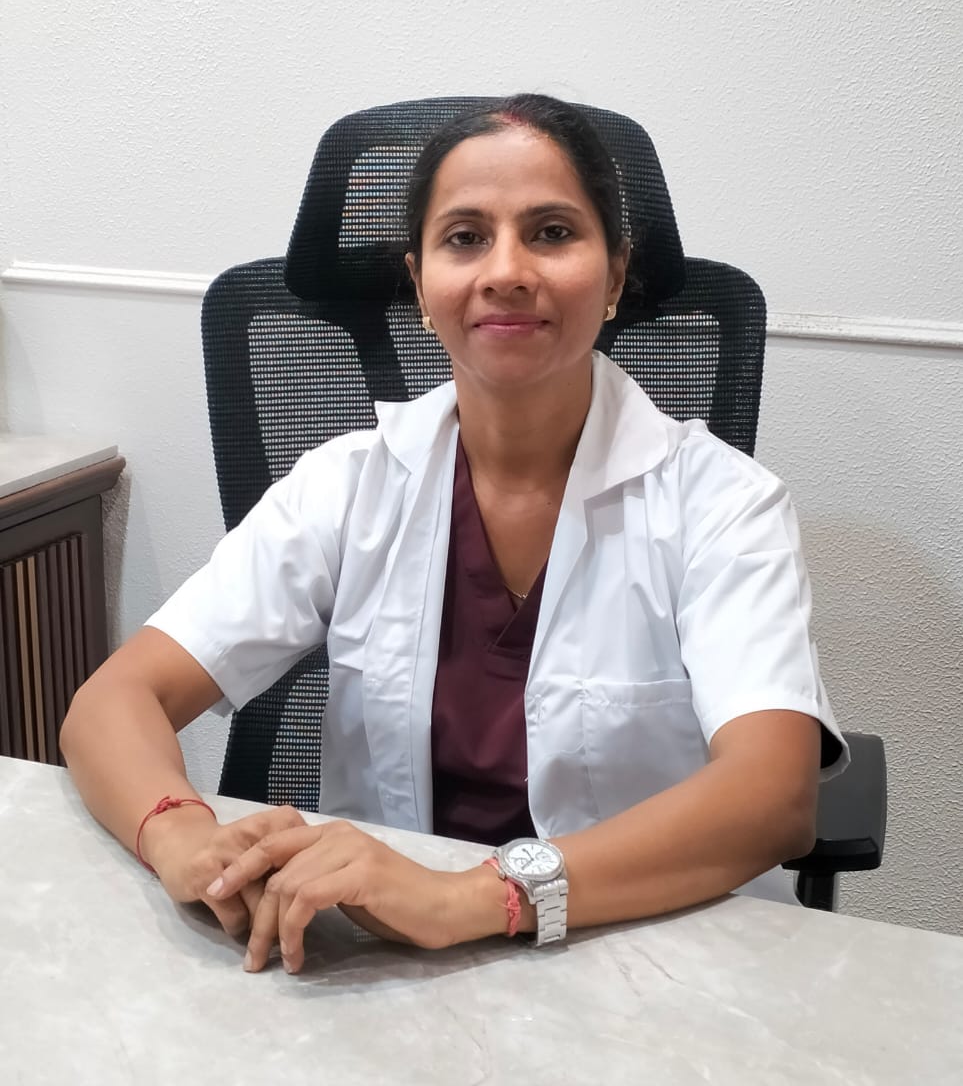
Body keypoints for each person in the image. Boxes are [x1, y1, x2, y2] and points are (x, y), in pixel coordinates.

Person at [61, 94, 846, 976]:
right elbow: (113, 703)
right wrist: (180, 837)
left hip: (648, 955)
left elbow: (771, 795)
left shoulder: (722, 504)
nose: (505, 269)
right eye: (464, 237)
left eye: (551, 232)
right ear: (422, 283)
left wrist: (478, 896)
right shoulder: (345, 484)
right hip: (385, 965)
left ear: (616, 276)